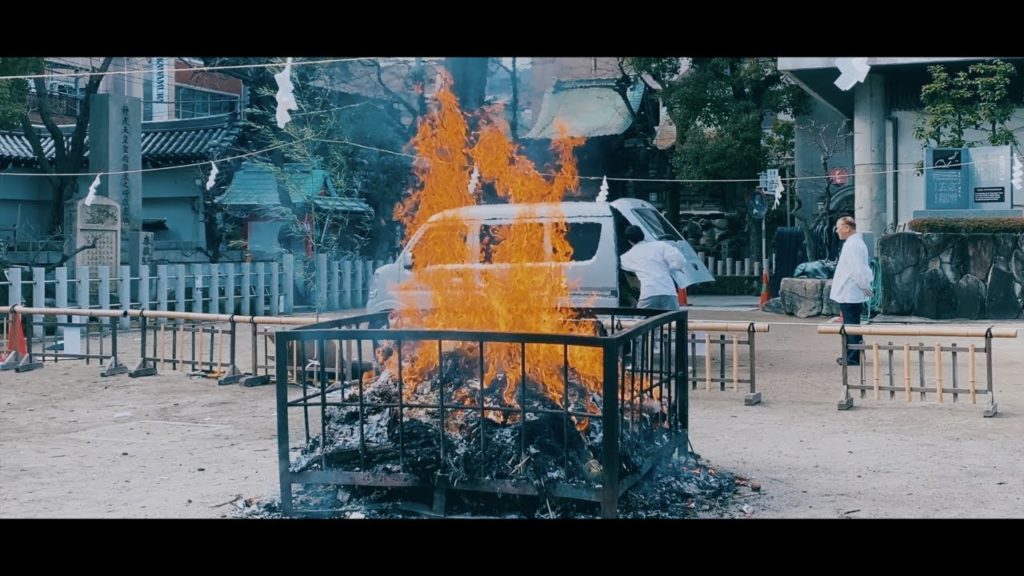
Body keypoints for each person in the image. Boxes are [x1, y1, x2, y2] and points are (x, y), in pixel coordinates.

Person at [829, 216, 874, 366]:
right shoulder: (854, 243)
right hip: (851, 290)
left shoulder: (853, 244)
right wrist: (865, 286)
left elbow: (858, 270)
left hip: (850, 291)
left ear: (847, 228)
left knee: (851, 325)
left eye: (838, 227)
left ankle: (853, 357)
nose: (837, 231)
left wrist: (865, 286)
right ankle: (854, 354)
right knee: (852, 324)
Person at [619, 225, 687, 310]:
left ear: (629, 241)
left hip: (648, 292)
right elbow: (679, 260)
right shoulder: (661, 246)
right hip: (668, 290)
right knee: (672, 317)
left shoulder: (626, 257)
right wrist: (671, 267)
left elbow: (626, 268)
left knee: (642, 317)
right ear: (643, 235)